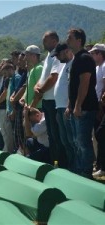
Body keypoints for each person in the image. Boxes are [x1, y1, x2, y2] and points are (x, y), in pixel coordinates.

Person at [66, 28, 99, 179]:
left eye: (70, 38)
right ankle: (80, 170)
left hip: (85, 108)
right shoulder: (77, 58)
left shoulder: (85, 58)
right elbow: (72, 86)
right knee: (77, 141)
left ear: (79, 40)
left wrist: (78, 105)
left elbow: (84, 83)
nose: (67, 40)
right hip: (77, 108)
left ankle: (86, 172)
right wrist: (70, 105)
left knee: (83, 142)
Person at [33, 31, 66, 167]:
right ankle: (54, 162)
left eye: (45, 40)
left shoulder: (57, 55)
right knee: (51, 135)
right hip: (46, 100)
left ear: (54, 40)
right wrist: (36, 86)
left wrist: (40, 89)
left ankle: (62, 163)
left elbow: (53, 77)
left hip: (53, 100)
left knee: (57, 135)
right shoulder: (48, 56)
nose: (43, 43)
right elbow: (43, 77)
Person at [52, 42, 77, 171]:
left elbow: (72, 87)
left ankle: (77, 165)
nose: (57, 58)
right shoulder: (64, 65)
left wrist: (69, 105)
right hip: (59, 107)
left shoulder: (73, 63)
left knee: (72, 140)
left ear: (67, 51)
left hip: (67, 107)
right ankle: (70, 164)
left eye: (59, 54)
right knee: (64, 140)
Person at [89, 43, 105, 177]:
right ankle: (99, 164)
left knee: (100, 134)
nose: (92, 55)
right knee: (97, 136)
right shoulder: (97, 67)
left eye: (93, 53)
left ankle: (102, 165)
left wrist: (101, 104)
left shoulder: (104, 66)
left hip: (102, 106)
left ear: (100, 54)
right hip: (97, 106)